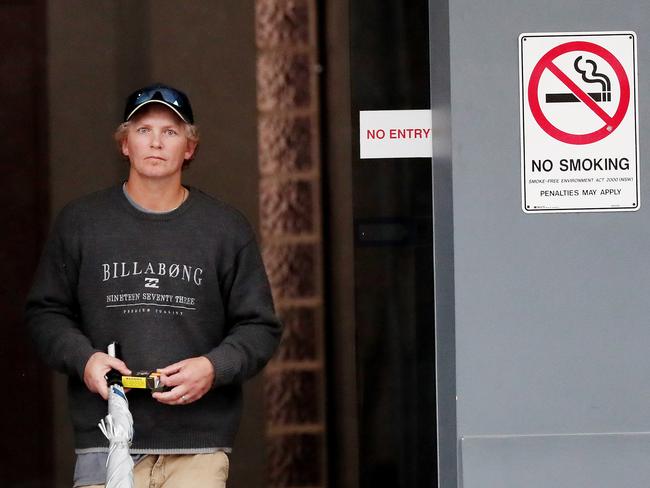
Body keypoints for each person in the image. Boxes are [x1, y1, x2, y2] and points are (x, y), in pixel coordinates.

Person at [25, 83, 282, 487]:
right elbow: (45, 313)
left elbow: (260, 327)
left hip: (196, 449)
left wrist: (213, 368)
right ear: (125, 143)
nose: (156, 142)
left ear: (190, 147)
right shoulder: (81, 223)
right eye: (143, 130)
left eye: (171, 131)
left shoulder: (225, 228)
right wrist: (85, 360)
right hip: (108, 440)